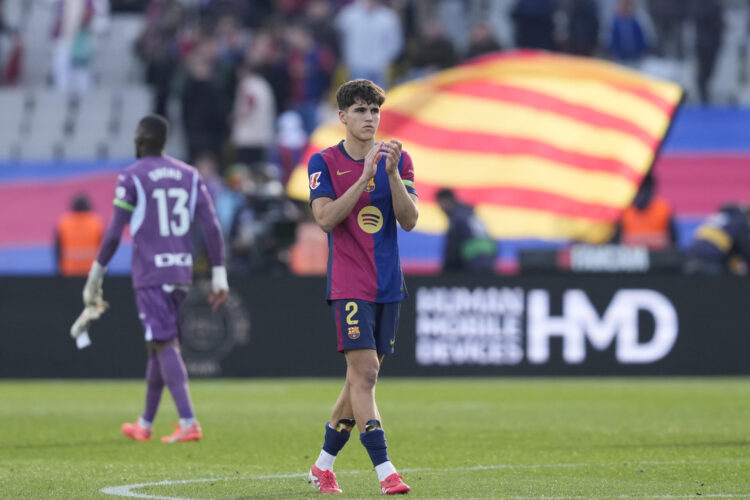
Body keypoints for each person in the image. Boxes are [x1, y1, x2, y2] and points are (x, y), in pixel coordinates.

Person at [80, 114, 228, 443]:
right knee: (156, 346)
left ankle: (189, 421)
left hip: (150, 273)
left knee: (163, 343)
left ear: (141, 140)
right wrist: (219, 272)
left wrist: (96, 272)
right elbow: (212, 226)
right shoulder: (189, 175)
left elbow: (115, 232)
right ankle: (145, 423)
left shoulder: (132, 176)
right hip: (180, 270)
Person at [306, 79, 417, 495]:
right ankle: (386, 470)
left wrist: (388, 174)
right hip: (349, 282)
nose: (369, 118)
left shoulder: (398, 160)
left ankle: (322, 466)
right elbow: (325, 218)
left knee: (358, 382)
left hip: (389, 283)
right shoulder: (323, 162)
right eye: (360, 111)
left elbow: (409, 220)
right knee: (366, 375)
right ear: (342, 117)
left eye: (374, 111)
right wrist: (364, 176)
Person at [436, 188, 497, 273]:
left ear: (446, 200)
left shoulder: (456, 217)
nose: (440, 208)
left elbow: (452, 247)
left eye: (440, 203)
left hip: (474, 255)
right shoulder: (469, 212)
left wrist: (446, 271)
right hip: (489, 252)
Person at [611, 172, 677, 250]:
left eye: (644, 191)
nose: (641, 197)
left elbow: (673, 241)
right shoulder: (623, 210)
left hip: (658, 258)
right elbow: (616, 242)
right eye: (637, 192)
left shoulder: (664, 209)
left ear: (651, 191)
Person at [684, 203, 750, 276]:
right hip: (711, 258)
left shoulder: (724, 215)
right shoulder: (741, 223)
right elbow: (745, 249)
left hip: (693, 252)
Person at [55, 193, 104, 276]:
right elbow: (104, 248)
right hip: (92, 271)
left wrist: (58, 271)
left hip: (69, 271)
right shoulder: (96, 223)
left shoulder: (64, 223)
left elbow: (57, 249)